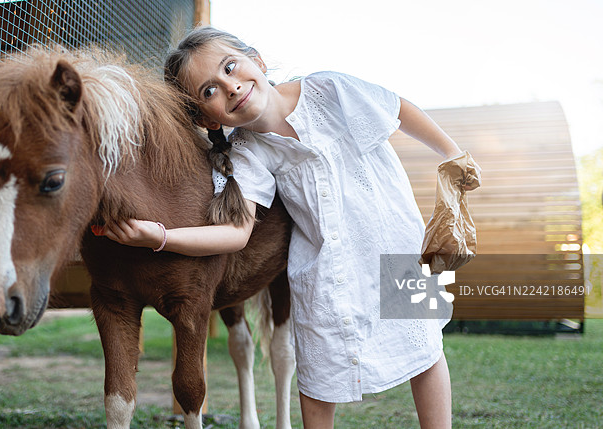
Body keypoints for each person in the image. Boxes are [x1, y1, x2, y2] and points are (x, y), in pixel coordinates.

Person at [97, 26, 468, 429]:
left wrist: (452, 154)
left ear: (257, 60)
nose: (231, 86)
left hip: (398, 248)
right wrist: (160, 237)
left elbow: (398, 109)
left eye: (231, 67)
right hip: (323, 269)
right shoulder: (248, 152)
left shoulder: (327, 89)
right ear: (207, 118)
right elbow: (237, 233)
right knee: (318, 374)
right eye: (209, 91)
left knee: (426, 348)